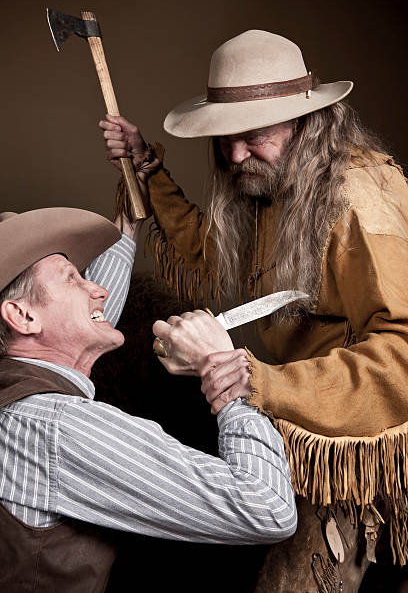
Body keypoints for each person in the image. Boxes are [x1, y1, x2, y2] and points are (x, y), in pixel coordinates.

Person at [100, 29, 408, 588]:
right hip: (296, 420)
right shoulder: (275, 182)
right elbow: (210, 249)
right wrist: (147, 168)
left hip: (362, 449)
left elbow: (404, 361)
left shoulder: (361, 199)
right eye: (225, 139)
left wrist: (249, 379)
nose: (236, 156)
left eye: (254, 136)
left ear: (306, 122)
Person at [0, 205, 296, 592]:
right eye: (74, 279)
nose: (97, 290)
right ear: (22, 318)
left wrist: (126, 224)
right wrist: (221, 370)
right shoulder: (53, 426)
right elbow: (267, 509)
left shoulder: (20, 396)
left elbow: (89, 319)